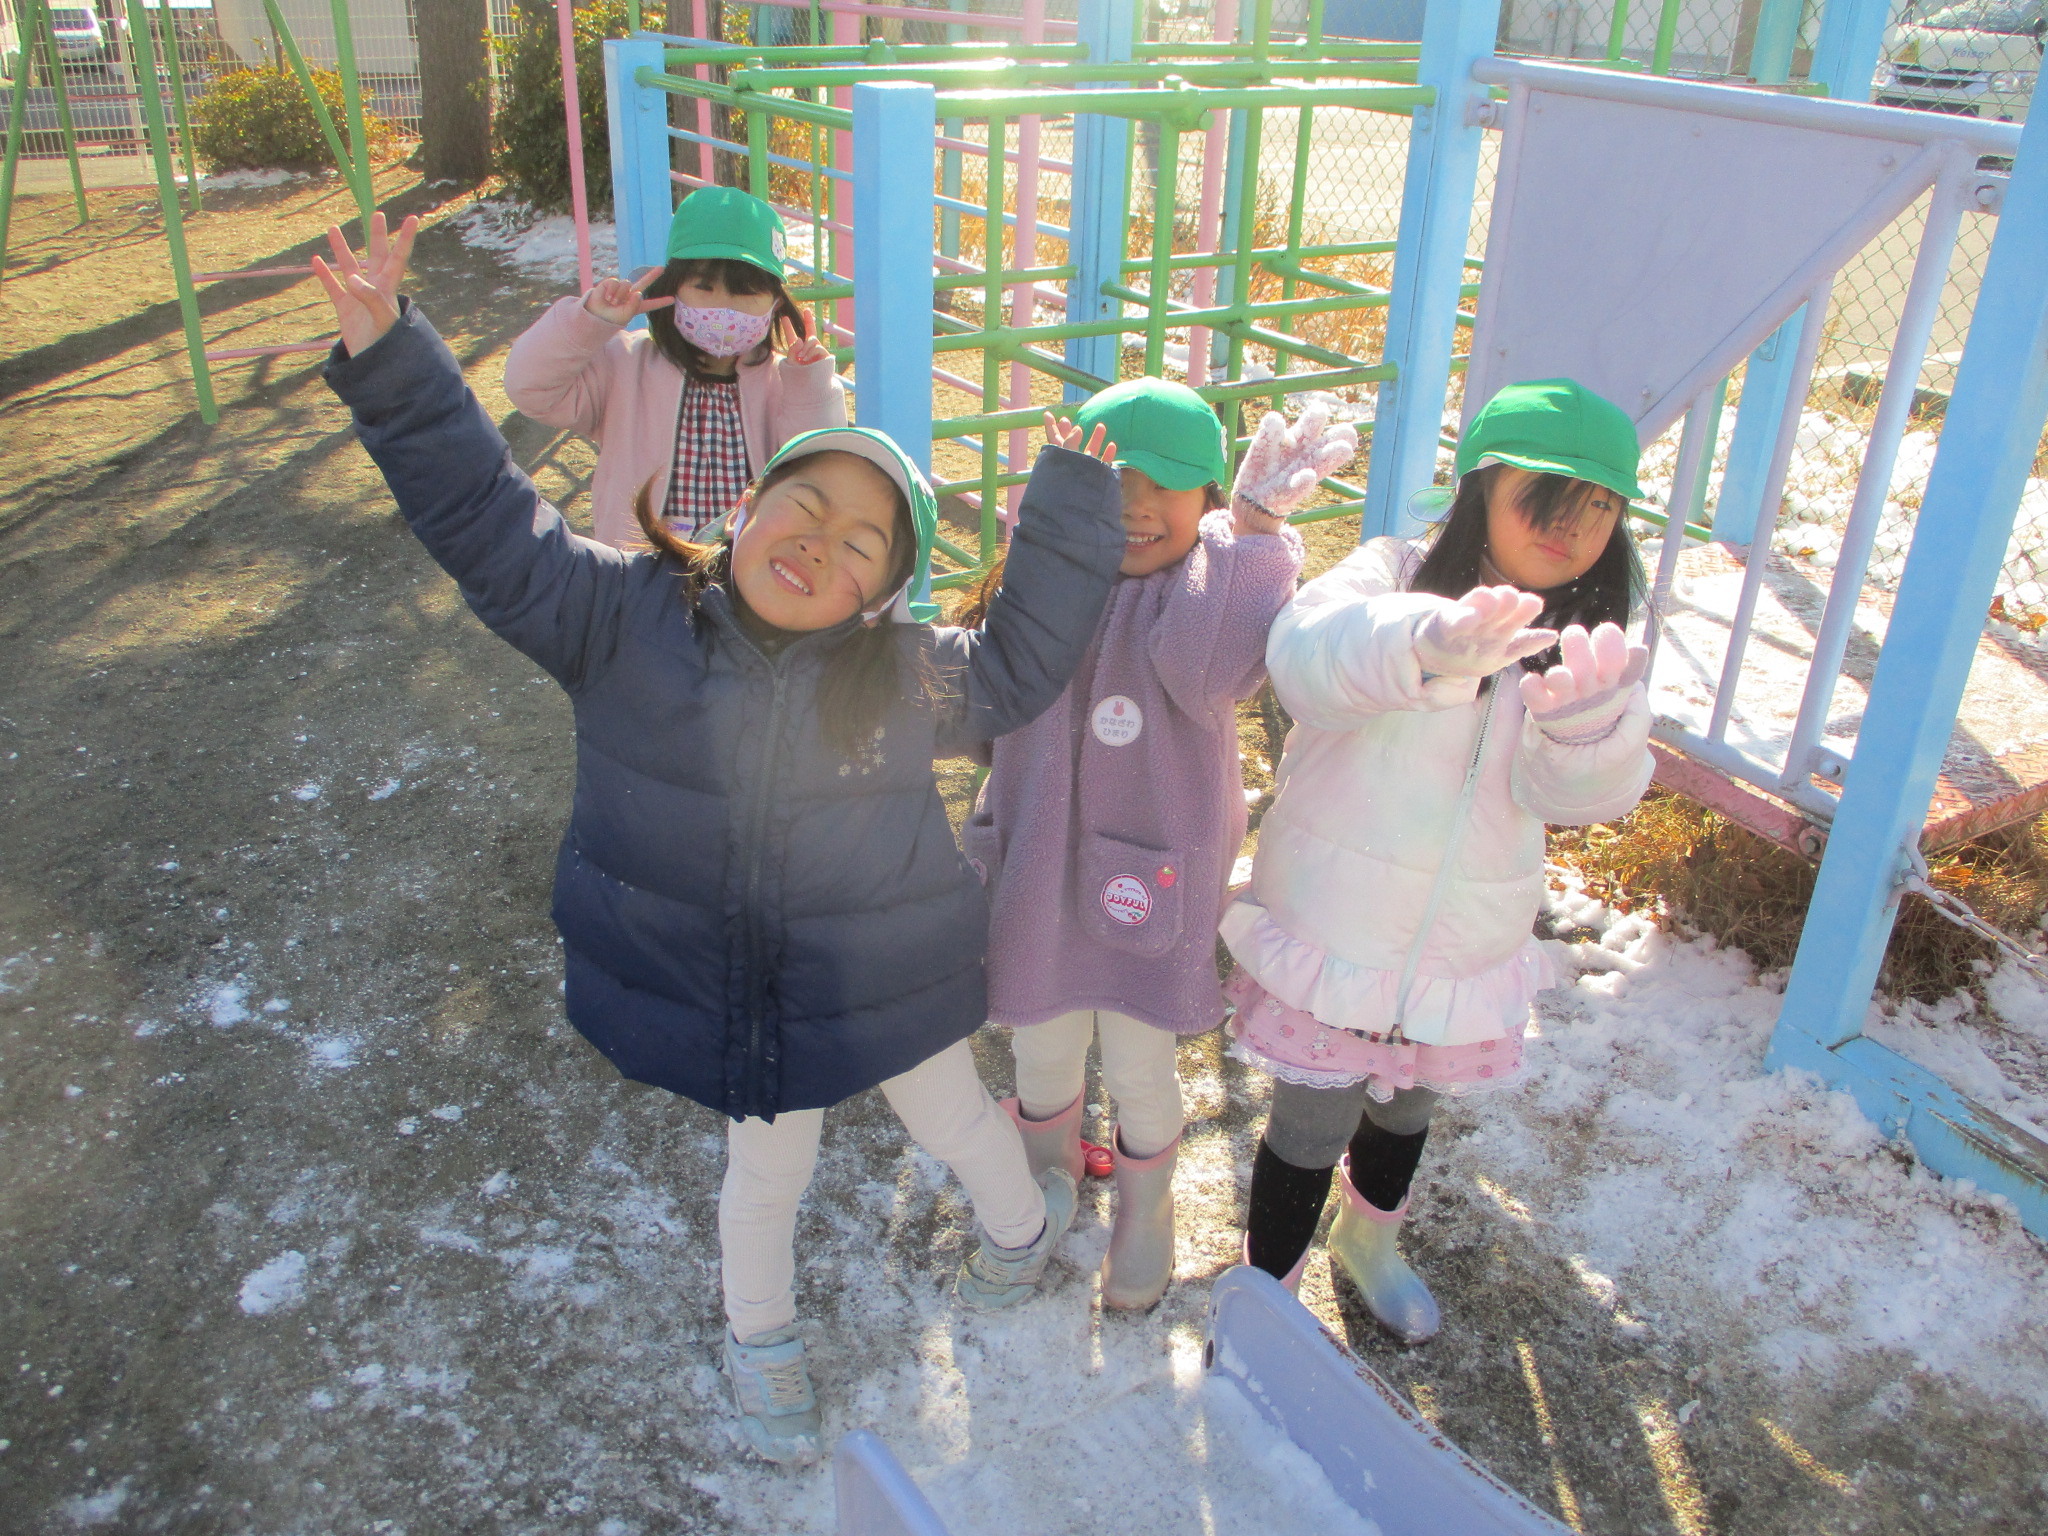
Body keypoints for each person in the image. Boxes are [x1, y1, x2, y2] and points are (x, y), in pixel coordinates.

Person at [312, 215, 1126, 1465]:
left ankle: (1019, 1235)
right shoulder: (614, 616)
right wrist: (393, 362)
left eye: (860, 546)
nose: (819, 544)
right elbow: (485, 519)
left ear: (881, 596)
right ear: (742, 506)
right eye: (803, 506)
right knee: (765, 1181)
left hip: (881, 976)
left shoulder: (899, 675)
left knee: (958, 1121)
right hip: (739, 996)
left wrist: (1064, 511)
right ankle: (762, 1341)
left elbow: (1019, 662)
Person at [1226, 378, 1655, 1342]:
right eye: (1547, 497)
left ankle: (1369, 1244)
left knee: (1408, 1111)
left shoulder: (1586, 641)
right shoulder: (1391, 572)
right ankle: (1267, 1298)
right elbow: (1305, 658)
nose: (1573, 527)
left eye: (1600, 506)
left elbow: (1568, 800)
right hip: (1338, 928)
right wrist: (1421, 642)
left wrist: (1591, 741)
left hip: (1465, 942)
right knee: (1308, 1125)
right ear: (1481, 488)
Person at [964, 378, 1355, 1310]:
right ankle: (1048, 1170)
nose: (1136, 506)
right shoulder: (1047, 581)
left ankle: (1148, 1210)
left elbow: (1207, 665)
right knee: (1041, 1044)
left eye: (1165, 487)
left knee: (1141, 1064)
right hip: (1040, 866)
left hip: (1147, 879)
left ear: (1206, 500)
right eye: (1114, 482)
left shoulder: (1200, 594)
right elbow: (988, 699)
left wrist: (1254, 535)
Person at [504, 186, 845, 549]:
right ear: (673, 289)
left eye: (746, 292)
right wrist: (588, 323)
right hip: (641, 570)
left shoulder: (785, 382)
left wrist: (810, 386)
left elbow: (820, 468)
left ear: (776, 303)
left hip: (746, 568)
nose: (724, 307)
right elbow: (529, 387)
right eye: (704, 287)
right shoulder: (624, 366)